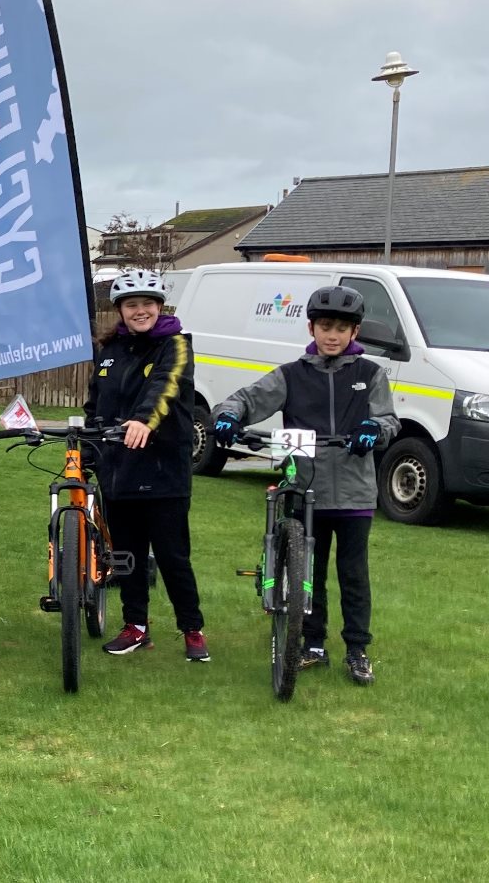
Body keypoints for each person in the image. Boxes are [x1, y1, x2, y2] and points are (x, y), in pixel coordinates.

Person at [213, 285, 395, 685]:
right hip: (305, 488)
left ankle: (356, 649)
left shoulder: (371, 374)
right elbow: (245, 399)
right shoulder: (291, 375)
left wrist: (372, 428)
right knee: (306, 572)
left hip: (353, 493)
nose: (333, 335)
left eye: (342, 328)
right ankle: (312, 643)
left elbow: (388, 420)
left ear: (355, 332)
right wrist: (227, 416)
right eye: (326, 326)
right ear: (311, 328)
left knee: (353, 573)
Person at [82, 270, 209, 661]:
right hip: (118, 470)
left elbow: (166, 386)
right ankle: (136, 626)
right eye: (132, 305)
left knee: (173, 556)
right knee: (127, 556)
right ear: (120, 310)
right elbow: (96, 406)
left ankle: (192, 628)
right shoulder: (110, 353)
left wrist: (143, 420)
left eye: (147, 304)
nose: (141, 311)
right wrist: (86, 452)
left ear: (160, 306)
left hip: (162, 470)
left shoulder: (176, 345)